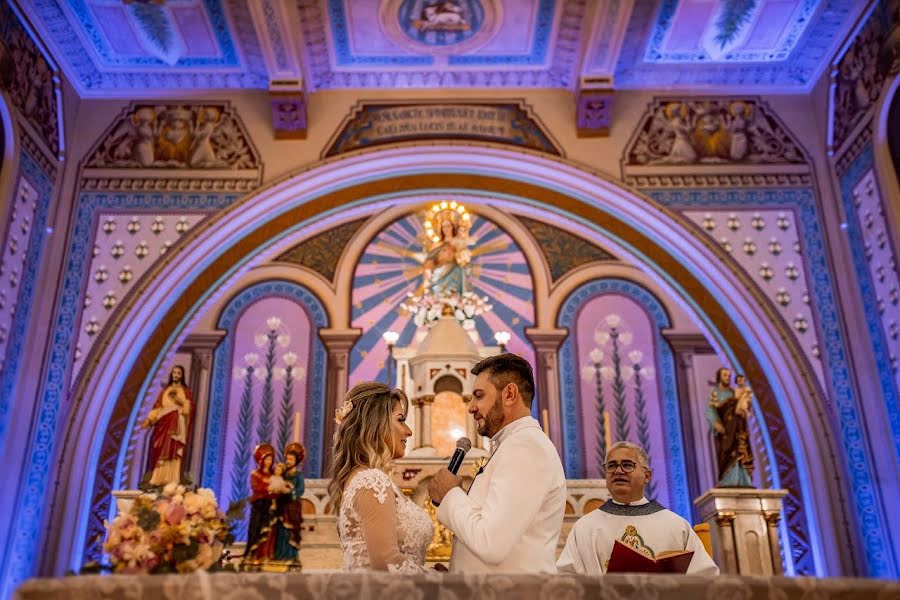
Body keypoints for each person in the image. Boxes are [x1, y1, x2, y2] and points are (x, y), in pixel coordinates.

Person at [428, 353, 566, 573]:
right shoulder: (512, 444)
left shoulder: (526, 447)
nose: (471, 407)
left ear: (509, 394)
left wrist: (450, 494)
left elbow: (490, 543)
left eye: (479, 396)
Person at [557, 441, 719, 575]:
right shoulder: (585, 527)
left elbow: (705, 578)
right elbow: (566, 580)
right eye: (611, 466)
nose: (618, 471)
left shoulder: (677, 526)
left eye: (627, 465)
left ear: (647, 476)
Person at [329, 382, 433, 572]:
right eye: (400, 419)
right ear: (376, 423)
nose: (408, 431)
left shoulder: (362, 478)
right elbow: (386, 563)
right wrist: (441, 581)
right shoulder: (371, 481)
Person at [142, 365, 192, 486]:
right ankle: (157, 479)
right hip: (163, 425)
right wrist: (149, 419)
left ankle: (173, 480)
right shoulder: (164, 392)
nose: (176, 375)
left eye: (178, 373)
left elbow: (187, 411)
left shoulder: (185, 392)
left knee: (174, 450)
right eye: (174, 373)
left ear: (182, 376)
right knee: (160, 449)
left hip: (177, 425)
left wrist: (180, 401)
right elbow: (158, 408)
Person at [707, 368, 754, 487]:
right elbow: (710, 410)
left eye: (729, 375)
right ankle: (728, 479)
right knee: (727, 453)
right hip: (726, 430)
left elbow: (744, 407)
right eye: (725, 375)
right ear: (719, 377)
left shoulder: (735, 393)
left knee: (740, 451)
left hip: (738, 427)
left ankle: (743, 479)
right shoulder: (715, 394)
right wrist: (716, 423)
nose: (727, 377)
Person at [274, 442, 306, 562]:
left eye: (291, 459)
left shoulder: (298, 475)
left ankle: (290, 556)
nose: (289, 461)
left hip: (292, 507)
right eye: (287, 458)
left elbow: (300, 490)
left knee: (290, 531)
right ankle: (279, 555)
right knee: (280, 531)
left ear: (296, 461)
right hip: (282, 506)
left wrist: (290, 491)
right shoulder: (283, 474)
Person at [246, 444, 278, 561]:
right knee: (256, 529)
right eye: (266, 459)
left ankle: (265, 555)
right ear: (261, 460)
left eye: (270, 459)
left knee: (269, 531)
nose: (269, 461)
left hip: (269, 506)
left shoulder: (274, 475)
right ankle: (253, 555)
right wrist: (270, 488)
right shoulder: (255, 474)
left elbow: (276, 490)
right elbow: (257, 487)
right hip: (259, 505)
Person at [424, 218, 470, 296]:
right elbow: (430, 260)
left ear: (453, 227)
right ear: (441, 229)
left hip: (454, 271)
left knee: (459, 271)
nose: (446, 229)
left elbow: (465, 259)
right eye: (443, 227)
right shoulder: (437, 244)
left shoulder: (459, 242)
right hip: (439, 272)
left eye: (448, 226)